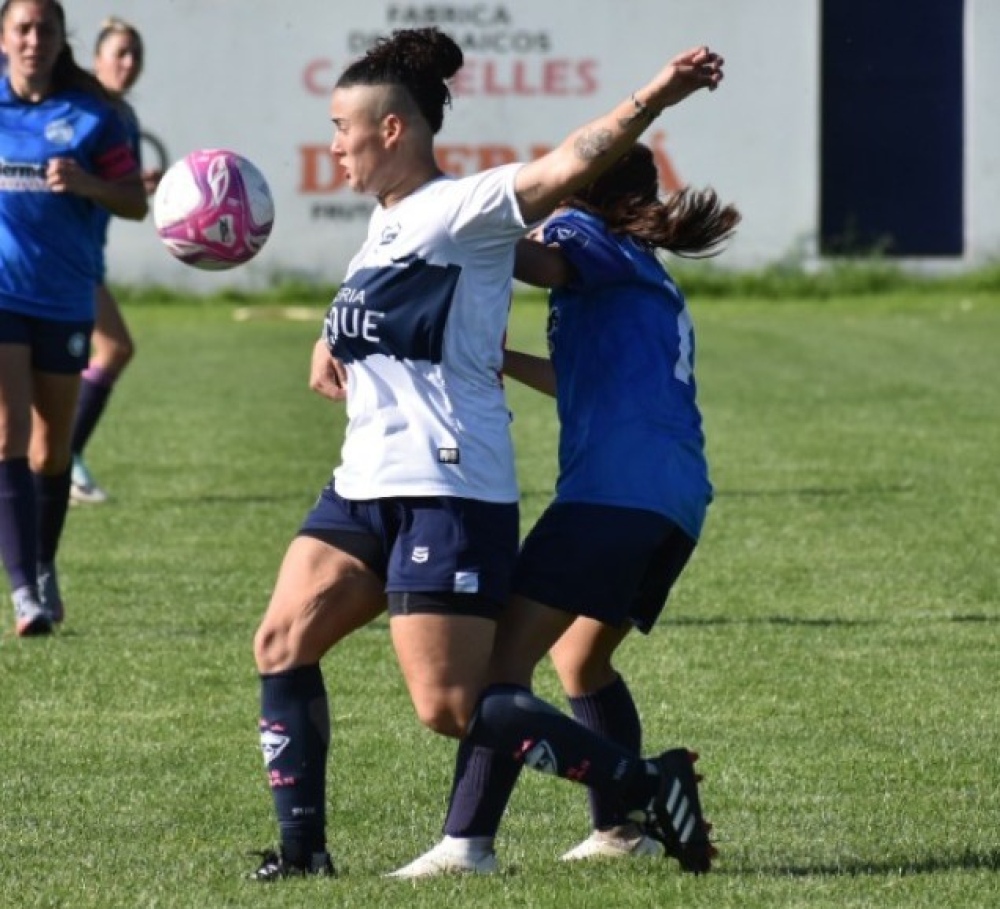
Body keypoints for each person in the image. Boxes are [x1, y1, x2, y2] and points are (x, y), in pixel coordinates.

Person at [249, 26, 724, 880]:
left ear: (390, 129)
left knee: (458, 701)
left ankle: (632, 787)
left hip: (449, 477)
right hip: (368, 478)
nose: (331, 144)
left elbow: (557, 174)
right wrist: (335, 332)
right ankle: (302, 855)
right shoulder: (388, 225)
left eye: (339, 126)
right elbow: (396, 285)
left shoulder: (474, 209)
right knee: (282, 639)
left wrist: (654, 97)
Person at [390, 145, 740, 877]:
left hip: (612, 495)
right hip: (674, 500)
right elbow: (588, 378)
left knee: (498, 665)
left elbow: (536, 262)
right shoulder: (644, 269)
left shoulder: (584, 236)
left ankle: (466, 843)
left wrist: (442, 216)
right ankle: (621, 830)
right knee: (581, 658)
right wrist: (504, 361)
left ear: (582, 188)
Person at [0, 0, 147, 635]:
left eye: (46, 30)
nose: (34, 40)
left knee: (50, 450)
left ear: (62, 41)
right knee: (7, 434)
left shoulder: (95, 116)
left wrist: (89, 183)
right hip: (3, 293)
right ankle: (24, 591)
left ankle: (43, 562)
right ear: (4, 37)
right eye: (22, 29)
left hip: (63, 297)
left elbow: (137, 202)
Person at [70, 16, 160, 504]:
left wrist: (135, 188)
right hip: (62, 255)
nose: (128, 63)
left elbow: (114, 191)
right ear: (96, 57)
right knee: (114, 347)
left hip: (88, 254)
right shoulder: (80, 108)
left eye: (135, 55)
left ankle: (61, 458)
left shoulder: (122, 116)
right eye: (119, 52)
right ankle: (63, 460)